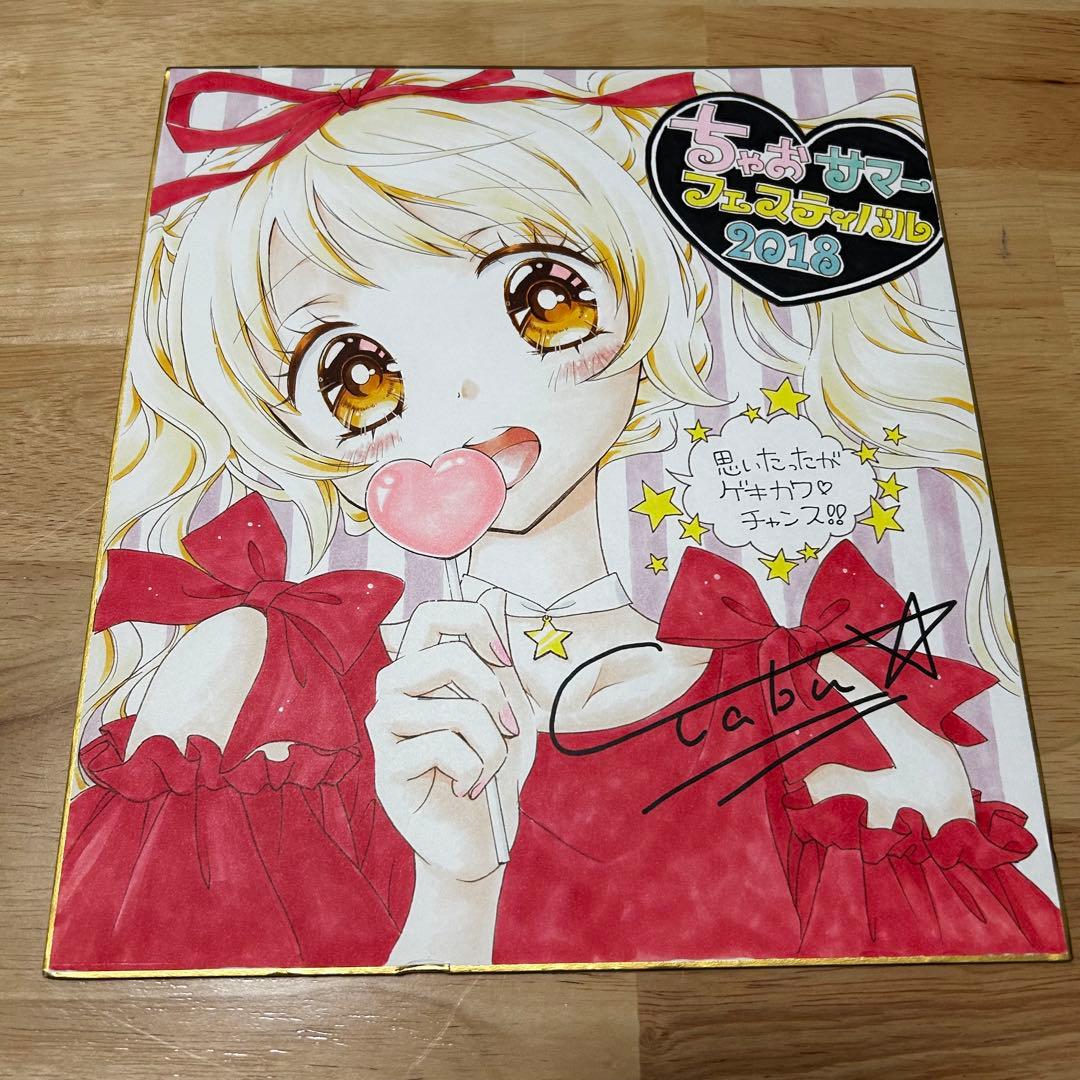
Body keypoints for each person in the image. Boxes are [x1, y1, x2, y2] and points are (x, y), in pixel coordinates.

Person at [49, 68, 1065, 972]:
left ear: (645, 295)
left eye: (541, 297)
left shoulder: (814, 708)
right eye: (356, 375)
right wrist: (457, 883)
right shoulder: (251, 688)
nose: (462, 391)